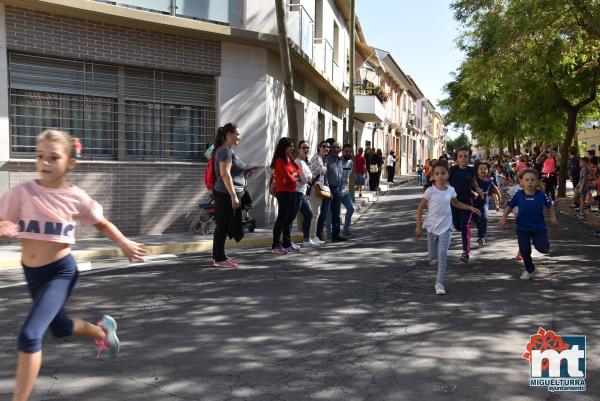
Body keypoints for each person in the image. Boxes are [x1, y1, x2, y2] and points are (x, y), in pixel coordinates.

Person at [0, 129, 146, 401]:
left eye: (54, 157)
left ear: (69, 162)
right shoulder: (21, 193)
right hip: (32, 274)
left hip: (60, 272)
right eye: (40, 156)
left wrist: (124, 243)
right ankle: (103, 331)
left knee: (31, 335)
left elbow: (102, 223)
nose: (45, 162)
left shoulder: (76, 197)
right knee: (61, 328)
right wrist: (3, 225)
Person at [416, 162, 481, 295]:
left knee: (442, 255)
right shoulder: (430, 191)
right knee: (433, 255)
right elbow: (420, 208)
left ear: (448, 175)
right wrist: (418, 225)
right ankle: (433, 259)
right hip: (432, 228)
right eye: (437, 174)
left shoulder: (451, 190)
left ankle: (439, 283)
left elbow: (455, 203)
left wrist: (471, 207)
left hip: (446, 227)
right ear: (433, 177)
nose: (440, 176)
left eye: (443, 173)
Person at [499, 168, 558, 279]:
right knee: (525, 251)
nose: (529, 182)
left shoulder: (541, 195)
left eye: (532, 180)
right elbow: (509, 207)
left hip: (538, 228)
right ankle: (529, 269)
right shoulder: (518, 195)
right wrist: (503, 218)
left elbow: (550, 206)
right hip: (522, 228)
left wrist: (553, 218)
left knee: (543, 248)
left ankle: (541, 245)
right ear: (521, 182)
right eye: (527, 180)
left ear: (536, 182)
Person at [212, 123, 254, 267]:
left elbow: (230, 171)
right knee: (222, 226)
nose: (239, 137)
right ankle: (219, 259)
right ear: (229, 135)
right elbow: (224, 174)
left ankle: (220, 256)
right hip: (225, 194)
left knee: (223, 226)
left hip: (225, 193)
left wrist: (244, 172)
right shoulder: (225, 151)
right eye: (237, 134)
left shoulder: (225, 150)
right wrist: (233, 196)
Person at [449, 146, 482, 263]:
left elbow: (473, 181)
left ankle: (465, 252)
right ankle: (471, 221)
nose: (463, 159)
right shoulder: (452, 170)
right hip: (454, 201)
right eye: (460, 156)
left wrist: (477, 189)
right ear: (457, 158)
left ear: (469, 158)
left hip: (468, 200)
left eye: (466, 156)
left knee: (464, 226)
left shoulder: (471, 170)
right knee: (457, 225)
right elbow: (445, 181)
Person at [271, 137, 301, 254]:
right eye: (290, 147)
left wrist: (292, 177)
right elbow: (288, 177)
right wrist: (292, 177)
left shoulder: (290, 158)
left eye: (293, 146)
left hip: (292, 191)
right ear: (283, 147)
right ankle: (276, 244)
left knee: (289, 219)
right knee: (282, 218)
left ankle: (287, 243)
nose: (292, 149)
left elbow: (298, 172)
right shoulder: (279, 160)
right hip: (283, 192)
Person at [318, 142, 347, 242]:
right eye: (333, 147)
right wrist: (327, 189)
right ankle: (320, 235)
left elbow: (340, 174)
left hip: (338, 189)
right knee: (325, 213)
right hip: (329, 188)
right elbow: (324, 176)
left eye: (338, 147)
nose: (335, 149)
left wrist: (342, 186)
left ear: (340, 149)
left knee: (336, 213)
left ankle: (336, 235)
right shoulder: (327, 159)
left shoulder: (340, 160)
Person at [294, 140, 319, 247]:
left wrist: (308, 177)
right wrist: (308, 177)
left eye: (307, 148)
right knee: (307, 215)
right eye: (303, 147)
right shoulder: (298, 162)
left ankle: (306, 239)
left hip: (302, 192)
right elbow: (304, 179)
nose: (306, 150)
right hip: (297, 192)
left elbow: (309, 177)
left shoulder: (304, 162)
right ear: (299, 149)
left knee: (307, 215)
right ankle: (306, 240)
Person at [473, 162, 501, 247]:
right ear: (477, 171)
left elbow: (495, 189)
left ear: (488, 171)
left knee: (484, 218)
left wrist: (499, 198)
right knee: (475, 219)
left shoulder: (489, 181)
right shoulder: (474, 180)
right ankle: (479, 226)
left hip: (484, 203)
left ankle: (481, 237)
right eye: (481, 168)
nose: (483, 170)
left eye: (485, 169)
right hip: (473, 204)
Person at [308, 141, 329, 244]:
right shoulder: (317, 159)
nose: (326, 148)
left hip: (318, 188)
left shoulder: (320, 158)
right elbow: (323, 171)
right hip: (314, 188)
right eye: (324, 146)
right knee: (314, 214)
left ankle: (313, 236)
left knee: (316, 213)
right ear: (319, 147)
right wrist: (325, 166)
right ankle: (311, 237)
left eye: (327, 147)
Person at [341, 144, 355, 236]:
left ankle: (346, 228)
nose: (348, 153)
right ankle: (330, 231)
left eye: (350, 152)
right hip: (335, 190)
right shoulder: (338, 161)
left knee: (351, 208)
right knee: (332, 212)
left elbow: (348, 177)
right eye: (346, 151)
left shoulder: (350, 162)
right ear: (342, 151)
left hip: (345, 191)